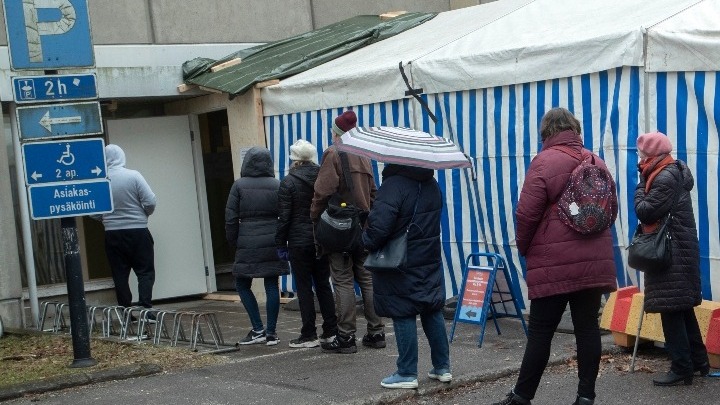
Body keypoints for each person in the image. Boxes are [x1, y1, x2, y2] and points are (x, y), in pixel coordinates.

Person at [493, 108, 617, 405]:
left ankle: (522, 397)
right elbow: (611, 209)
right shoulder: (596, 160)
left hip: (553, 261)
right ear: (574, 129)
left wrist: (524, 247)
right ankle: (586, 397)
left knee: (541, 332)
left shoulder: (544, 161)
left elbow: (526, 214)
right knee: (587, 328)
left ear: (546, 132)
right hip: (593, 261)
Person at [362, 163, 451, 389]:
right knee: (431, 308)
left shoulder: (393, 185)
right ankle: (442, 367)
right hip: (428, 257)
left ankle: (407, 372)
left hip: (400, 261)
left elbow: (379, 229)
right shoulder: (432, 184)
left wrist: (364, 240)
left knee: (403, 311)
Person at [633, 131, 709, 386]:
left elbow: (645, 211)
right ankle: (699, 363)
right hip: (679, 248)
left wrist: (639, 188)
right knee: (682, 307)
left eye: (642, 152)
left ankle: (681, 368)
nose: (639, 157)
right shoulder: (669, 171)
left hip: (671, 252)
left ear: (651, 153)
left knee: (671, 310)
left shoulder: (662, 176)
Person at [310, 110, 385, 354]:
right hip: (363, 226)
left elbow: (323, 191)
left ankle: (346, 336)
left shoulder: (333, 153)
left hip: (340, 227)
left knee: (342, 280)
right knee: (367, 278)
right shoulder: (363, 153)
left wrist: (314, 218)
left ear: (337, 132)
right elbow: (373, 192)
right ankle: (376, 332)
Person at [276, 139, 338, 348]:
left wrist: (280, 244)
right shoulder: (323, 176)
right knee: (323, 285)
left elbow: (284, 217)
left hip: (298, 241)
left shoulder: (288, 182)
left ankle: (308, 334)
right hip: (322, 238)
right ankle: (330, 331)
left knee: (303, 288)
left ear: (294, 160)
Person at [226, 146, 289, 346]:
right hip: (272, 237)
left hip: (247, 239)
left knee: (242, 284)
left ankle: (257, 329)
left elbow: (230, 218)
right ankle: (271, 332)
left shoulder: (238, 186)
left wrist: (233, 242)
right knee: (272, 285)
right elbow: (285, 214)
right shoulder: (277, 184)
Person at [94, 144, 157, 310]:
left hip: (112, 234)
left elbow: (92, 211)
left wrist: (105, 218)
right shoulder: (133, 176)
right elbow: (150, 201)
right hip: (138, 231)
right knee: (145, 272)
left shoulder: (101, 180)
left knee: (120, 274)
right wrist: (144, 215)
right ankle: (145, 308)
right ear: (122, 157)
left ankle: (126, 312)